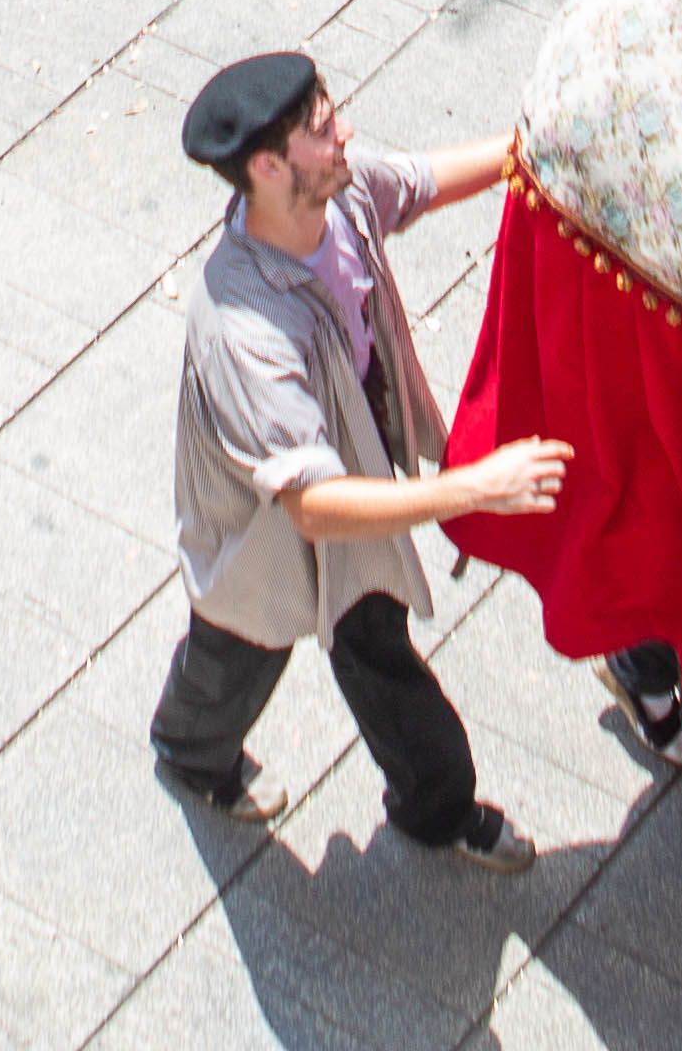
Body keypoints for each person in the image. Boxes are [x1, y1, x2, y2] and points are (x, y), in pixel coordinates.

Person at [150, 47, 557, 869]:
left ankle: (435, 809)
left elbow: (421, 180)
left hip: (352, 476)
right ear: (268, 167)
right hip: (264, 525)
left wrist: (533, 156)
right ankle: (190, 753)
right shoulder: (245, 329)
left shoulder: (337, 196)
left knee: (376, 644)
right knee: (238, 648)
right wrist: (475, 486)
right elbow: (310, 507)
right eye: (322, 127)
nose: (346, 132)